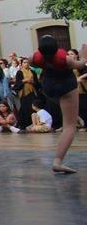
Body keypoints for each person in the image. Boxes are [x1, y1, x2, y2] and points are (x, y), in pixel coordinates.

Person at [30, 37, 87, 173]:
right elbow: (80, 65)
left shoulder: (34, 57)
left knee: (63, 106)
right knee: (69, 126)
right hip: (66, 86)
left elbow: (35, 65)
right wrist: (84, 56)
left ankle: (73, 114)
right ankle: (58, 162)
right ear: (57, 48)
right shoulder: (65, 60)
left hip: (49, 87)